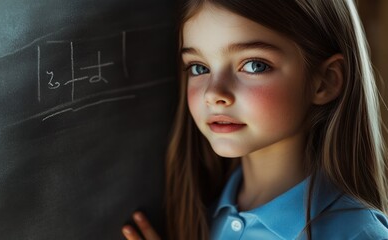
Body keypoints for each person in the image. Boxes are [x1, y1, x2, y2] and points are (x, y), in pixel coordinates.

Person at [122, 0, 388, 239]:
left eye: (254, 65)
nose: (214, 94)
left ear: (325, 81)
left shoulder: (357, 234)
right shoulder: (202, 213)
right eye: (199, 68)